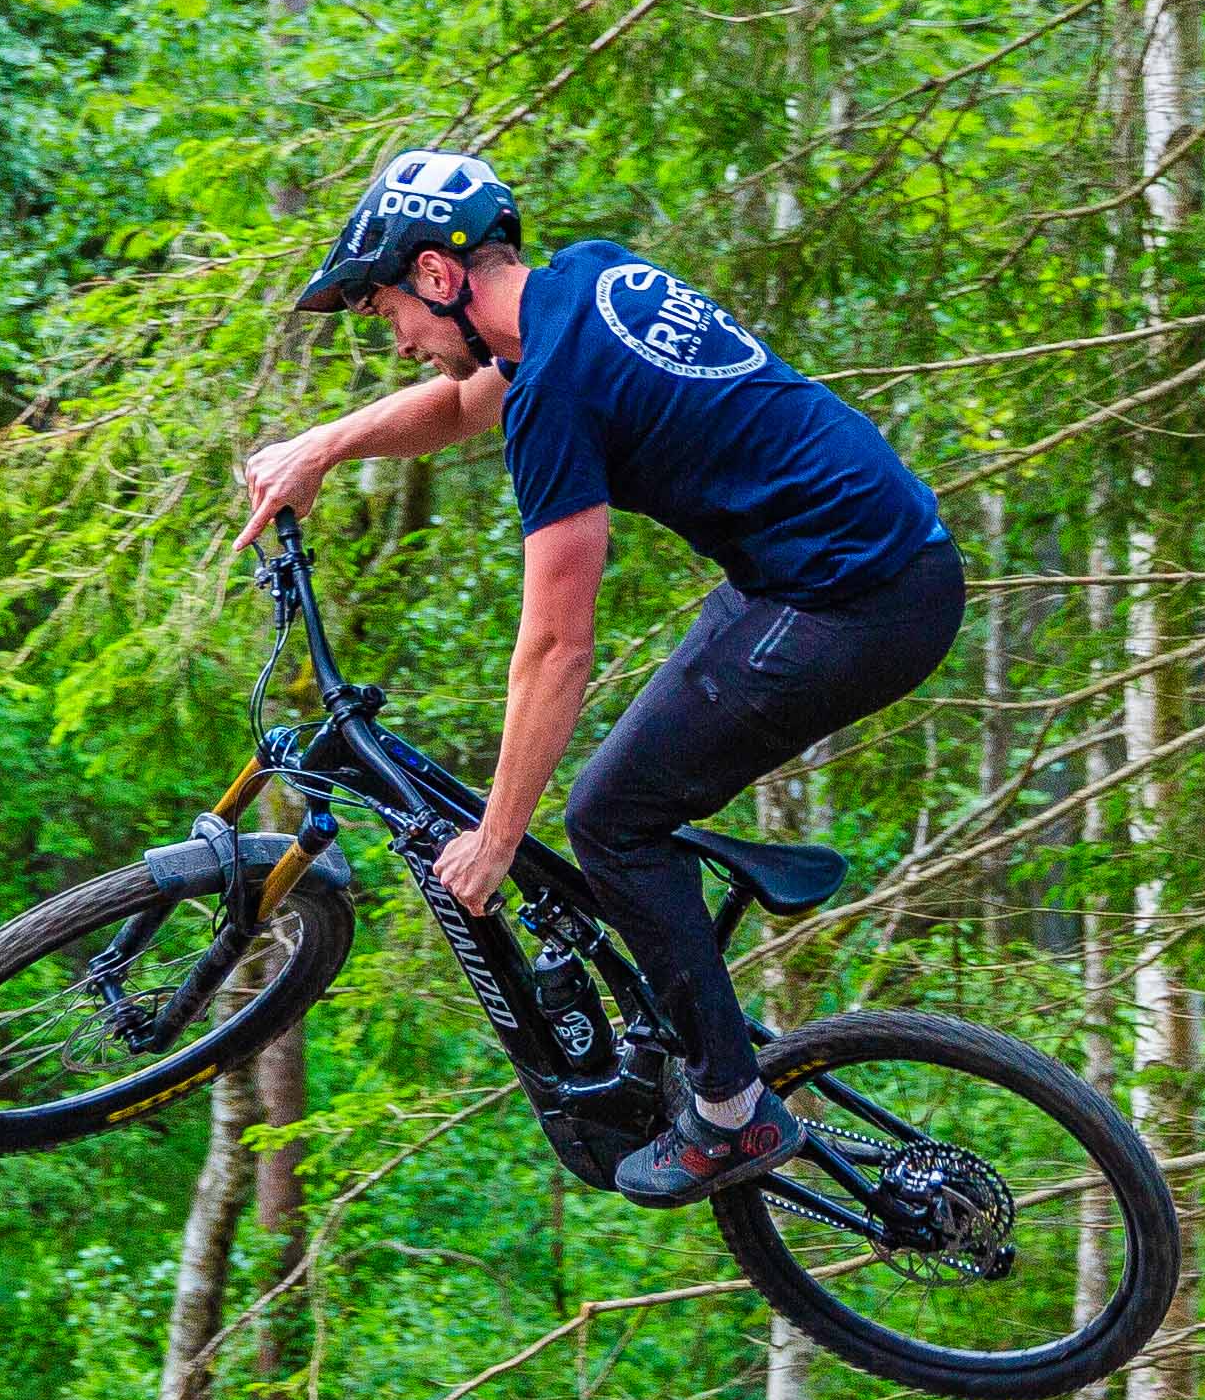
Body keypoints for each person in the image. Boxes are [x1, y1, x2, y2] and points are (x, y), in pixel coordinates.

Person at [232, 150, 962, 1202]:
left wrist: (495, 837)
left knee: (611, 819)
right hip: (829, 572)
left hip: (858, 605)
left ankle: (732, 1113)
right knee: (629, 795)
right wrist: (321, 448)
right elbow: (465, 403)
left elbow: (557, 648)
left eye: (391, 309)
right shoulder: (582, 281)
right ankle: (682, 998)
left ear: (439, 275)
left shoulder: (557, 392)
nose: (396, 338)